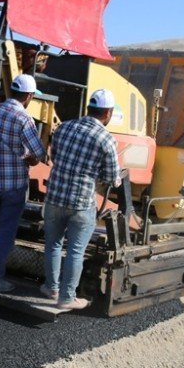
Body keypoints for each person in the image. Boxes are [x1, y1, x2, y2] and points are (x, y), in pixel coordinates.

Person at [41, 89, 121, 310]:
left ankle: (51, 288)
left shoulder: (64, 128)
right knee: (75, 251)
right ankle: (66, 298)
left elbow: (54, 157)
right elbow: (110, 177)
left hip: (54, 197)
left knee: (53, 245)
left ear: (89, 108)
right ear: (108, 113)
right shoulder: (106, 139)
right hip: (81, 202)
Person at [0, 74, 49, 293]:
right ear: (29, 96)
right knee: (6, 230)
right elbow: (39, 152)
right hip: (13, 185)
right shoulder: (24, 119)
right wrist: (30, 157)